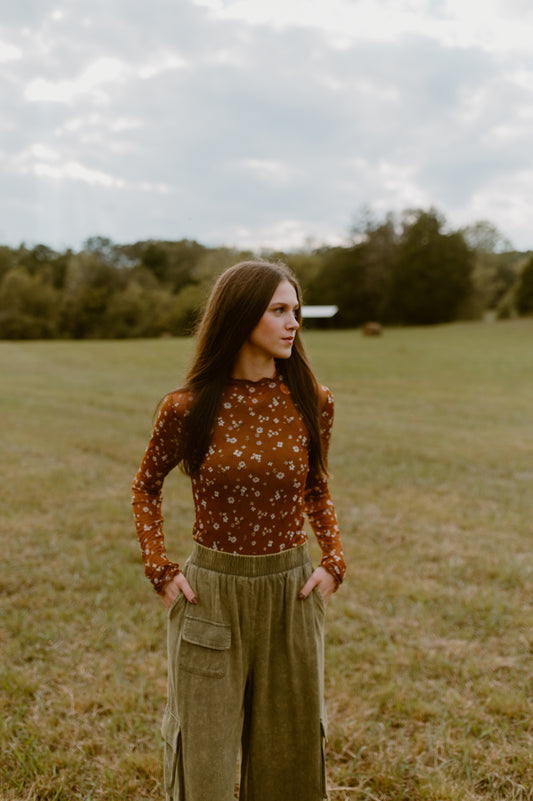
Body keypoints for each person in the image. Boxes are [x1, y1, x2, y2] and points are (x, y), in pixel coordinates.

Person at [131, 260, 346, 801]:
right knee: (201, 757)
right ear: (241, 314)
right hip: (211, 596)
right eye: (278, 310)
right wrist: (160, 569)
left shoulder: (312, 401)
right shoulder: (186, 407)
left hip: (291, 594)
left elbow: (315, 488)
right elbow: (145, 487)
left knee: (292, 759)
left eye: (295, 310)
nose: (293, 322)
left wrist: (333, 563)